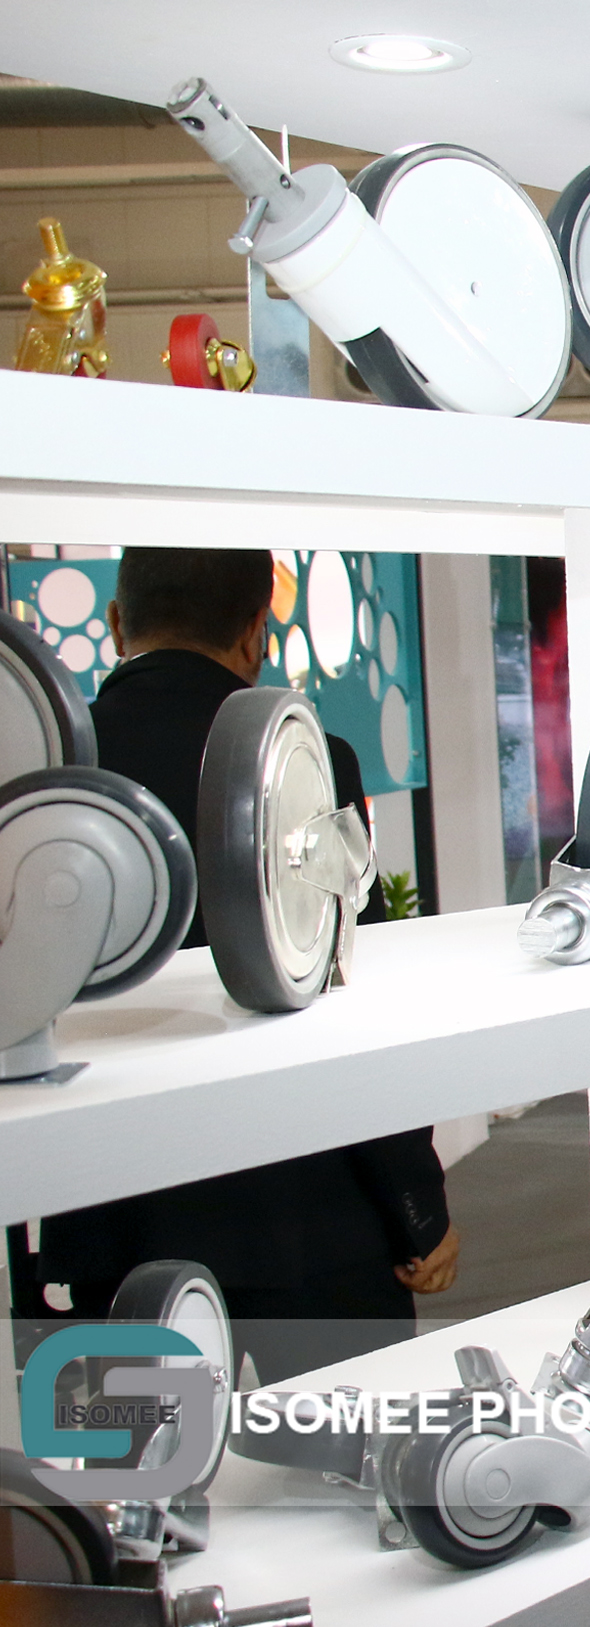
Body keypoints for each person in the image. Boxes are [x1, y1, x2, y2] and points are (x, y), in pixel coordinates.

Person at [9, 548, 460, 1383]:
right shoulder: (306, 760)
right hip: (313, 1217)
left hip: (112, 1225)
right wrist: (417, 1207)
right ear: (257, 630)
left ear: (116, 622)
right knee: (354, 1450)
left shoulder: (44, 767)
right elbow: (340, 1001)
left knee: (133, 1457)